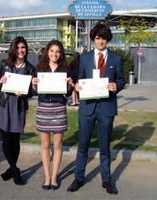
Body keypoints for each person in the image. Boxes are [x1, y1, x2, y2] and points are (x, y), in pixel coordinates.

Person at [67, 23, 125, 194]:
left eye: (104, 38)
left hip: (107, 108)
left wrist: (117, 85)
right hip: (87, 108)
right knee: (83, 145)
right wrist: (76, 86)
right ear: (93, 39)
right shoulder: (84, 58)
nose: (101, 41)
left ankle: (106, 180)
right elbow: (79, 79)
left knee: (105, 146)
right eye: (98, 38)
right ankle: (79, 178)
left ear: (108, 39)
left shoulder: (116, 59)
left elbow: (122, 80)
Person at [0, 36, 36, 185]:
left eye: (23, 47)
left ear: (26, 49)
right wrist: (0, 82)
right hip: (3, 105)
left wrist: (25, 92)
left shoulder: (30, 68)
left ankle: (11, 169)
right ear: (13, 49)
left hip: (18, 106)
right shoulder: (5, 64)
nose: (20, 50)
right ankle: (15, 170)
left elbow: (32, 92)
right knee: (6, 139)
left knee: (15, 139)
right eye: (18, 47)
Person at [32, 40, 73, 190]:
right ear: (47, 52)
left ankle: (54, 177)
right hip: (43, 108)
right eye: (52, 51)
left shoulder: (65, 69)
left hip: (58, 108)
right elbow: (35, 91)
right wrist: (34, 84)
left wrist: (70, 86)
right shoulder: (40, 68)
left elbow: (68, 93)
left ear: (61, 53)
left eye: (58, 51)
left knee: (57, 145)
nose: (54, 54)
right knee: (44, 145)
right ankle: (47, 177)